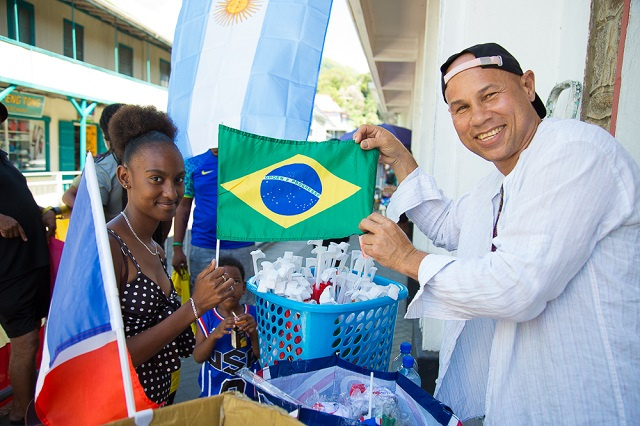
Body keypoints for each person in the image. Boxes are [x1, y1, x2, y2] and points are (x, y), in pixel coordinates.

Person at [356, 43, 640, 424]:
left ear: (527, 86)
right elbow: (449, 224)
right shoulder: (499, 180)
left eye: (489, 95)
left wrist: (406, 259)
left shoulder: (573, 151)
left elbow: (516, 286)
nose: (479, 117)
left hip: (583, 404)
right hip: (518, 402)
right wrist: (403, 160)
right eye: (461, 108)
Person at [105, 105, 237, 406]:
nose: (171, 192)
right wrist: (194, 305)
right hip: (125, 406)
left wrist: (217, 328)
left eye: (177, 179)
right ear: (125, 177)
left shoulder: (152, 241)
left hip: (162, 398)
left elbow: (172, 338)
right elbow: (113, 356)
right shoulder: (111, 246)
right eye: (156, 179)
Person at [0, 102, 56, 424]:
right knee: (26, 341)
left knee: (31, 337)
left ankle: (26, 401)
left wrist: (43, 212)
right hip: (9, 271)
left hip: (30, 263)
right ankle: (21, 414)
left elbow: (21, 199)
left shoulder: (3, 159)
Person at [171, 148, 255, 304]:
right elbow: (183, 207)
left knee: (241, 299)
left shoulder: (247, 161)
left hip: (241, 244)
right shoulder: (193, 164)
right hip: (204, 245)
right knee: (203, 300)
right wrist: (177, 246)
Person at [192, 256, 260, 398]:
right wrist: (215, 334)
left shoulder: (254, 315)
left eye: (235, 281)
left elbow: (262, 357)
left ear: (243, 288)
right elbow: (198, 357)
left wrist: (253, 333)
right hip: (214, 393)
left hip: (248, 393)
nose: (229, 286)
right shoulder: (207, 317)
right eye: (223, 282)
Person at [61, 103, 125, 222]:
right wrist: (82, 209)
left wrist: (82, 211)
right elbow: (69, 195)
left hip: (110, 237)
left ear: (104, 134)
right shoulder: (100, 166)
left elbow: (92, 218)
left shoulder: (102, 166)